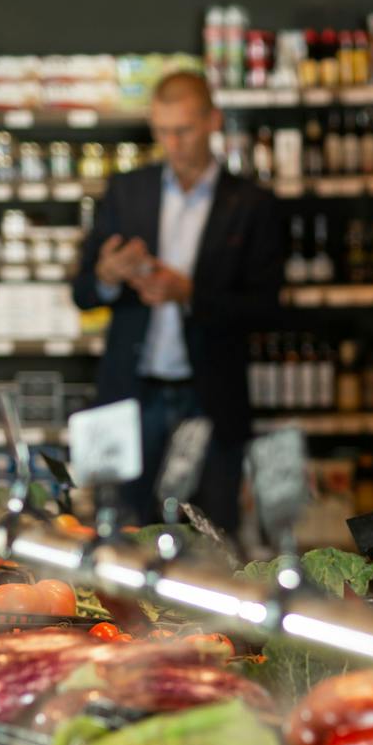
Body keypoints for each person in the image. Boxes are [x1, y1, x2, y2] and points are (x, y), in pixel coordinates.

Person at [72, 70, 285, 535]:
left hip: (209, 398)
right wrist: (107, 275)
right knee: (119, 534)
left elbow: (267, 309)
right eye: (162, 131)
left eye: (184, 130)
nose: (172, 144)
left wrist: (188, 293)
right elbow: (82, 292)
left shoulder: (252, 203)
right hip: (130, 394)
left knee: (212, 538)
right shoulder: (128, 190)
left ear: (213, 121)